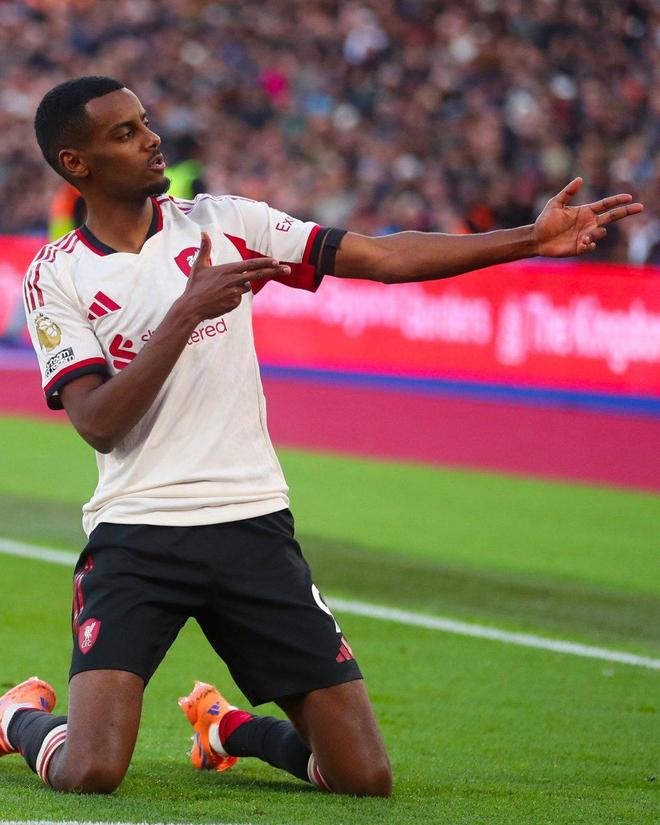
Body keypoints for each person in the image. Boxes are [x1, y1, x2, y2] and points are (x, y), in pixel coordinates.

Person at [0, 76, 642, 797]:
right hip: (138, 533)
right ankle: (18, 715)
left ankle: (226, 729)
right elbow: (98, 424)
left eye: (144, 121)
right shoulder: (56, 276)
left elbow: (381, 258)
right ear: (76, 163)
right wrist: (186, 313)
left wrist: (530, 239)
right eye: (124, 133)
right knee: (90, 770)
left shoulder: (226, 222)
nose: (151, 138)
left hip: (251, 524)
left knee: (362, 777)